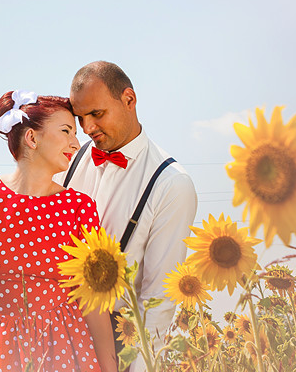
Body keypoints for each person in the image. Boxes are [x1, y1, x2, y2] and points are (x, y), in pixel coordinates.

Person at [0, 90, 117, 372]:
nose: (76, 143)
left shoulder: (79, 207)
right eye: (66, 131)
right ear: (32, 138)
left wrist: (110, 368)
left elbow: (92, 301)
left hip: (65, 348)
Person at [54, 62, 198, 369]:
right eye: (80, 118)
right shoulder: (70, 158)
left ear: (129, 100)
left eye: (97, 114)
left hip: (117, 342)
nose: (88, 128)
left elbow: (158, 299)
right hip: (52, 329)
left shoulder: (171, 184)